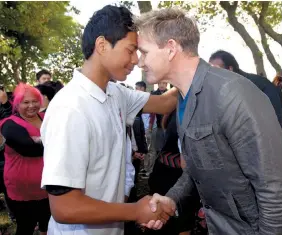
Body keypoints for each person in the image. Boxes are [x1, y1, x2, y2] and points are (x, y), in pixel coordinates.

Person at [135, 8, 282, 234]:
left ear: (171, 48)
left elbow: (274, 186)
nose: (139, 62)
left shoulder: (231, 94)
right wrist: (171, 200)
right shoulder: (184, 98)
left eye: (144, 52)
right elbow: (198, 168)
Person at [40, 5, 177, 235]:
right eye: (131, 50)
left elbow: (164, 103)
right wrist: (135, 211)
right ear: (102, 45)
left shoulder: (116, 93)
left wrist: (188, 67)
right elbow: (64, 207)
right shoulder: (70, 108)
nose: (136, 60)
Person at [0, 83, 51, 235]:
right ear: (17, 104)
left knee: (47, 223)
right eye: (26, 102)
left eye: (35, 101)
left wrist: (41, 140)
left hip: (47, 185)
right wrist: (54, 141)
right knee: (26, 226)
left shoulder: (47, 117)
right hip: (23, 189)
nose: (31, 106)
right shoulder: (9, 124)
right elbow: (29, 149)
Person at [209, 50, 282, 126]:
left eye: (217, 70)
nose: (212, 74)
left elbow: (277, 118)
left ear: (230, 69)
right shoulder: (219, 90)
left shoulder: (260, 85)